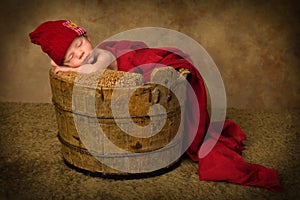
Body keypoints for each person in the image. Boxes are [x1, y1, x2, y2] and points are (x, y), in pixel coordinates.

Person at [29, 20, 282, 192]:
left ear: (86, 37)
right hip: (119, 81)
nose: (80, 55)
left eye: (79, 45)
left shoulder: (101, 54)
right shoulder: (81, 61)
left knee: (162, 77)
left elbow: (92, 69)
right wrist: (63, 66)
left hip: (137, 67)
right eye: (70, 57)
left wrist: (65, 68)